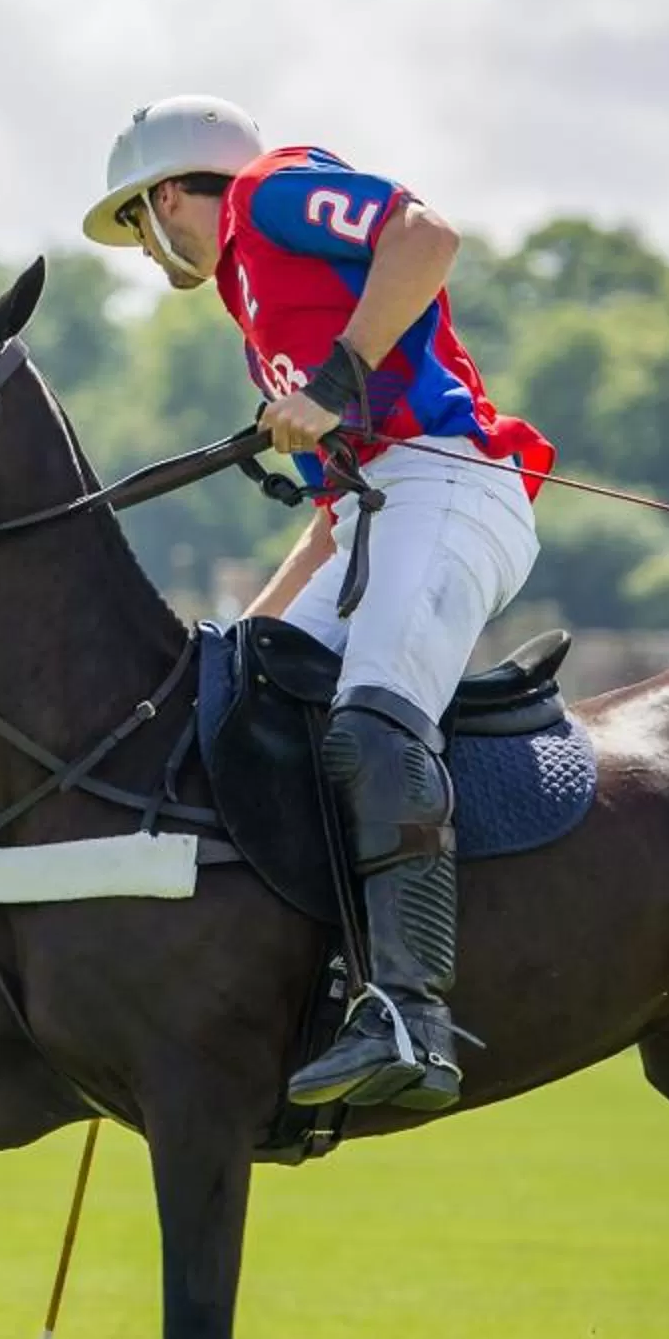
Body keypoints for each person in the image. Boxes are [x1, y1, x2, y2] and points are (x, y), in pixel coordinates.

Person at [85, 95, 554, 1112]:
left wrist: (340, 379)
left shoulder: (271, 192)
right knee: (244, 711)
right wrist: (242, 636)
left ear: (168, 195)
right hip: (371, 517)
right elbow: (329, 519)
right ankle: (305, 980)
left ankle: (410, 1010)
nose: (145, 246)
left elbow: (426, 235)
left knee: (371, 724)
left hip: (451, 480)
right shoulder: (252, 313)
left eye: (137, 223)